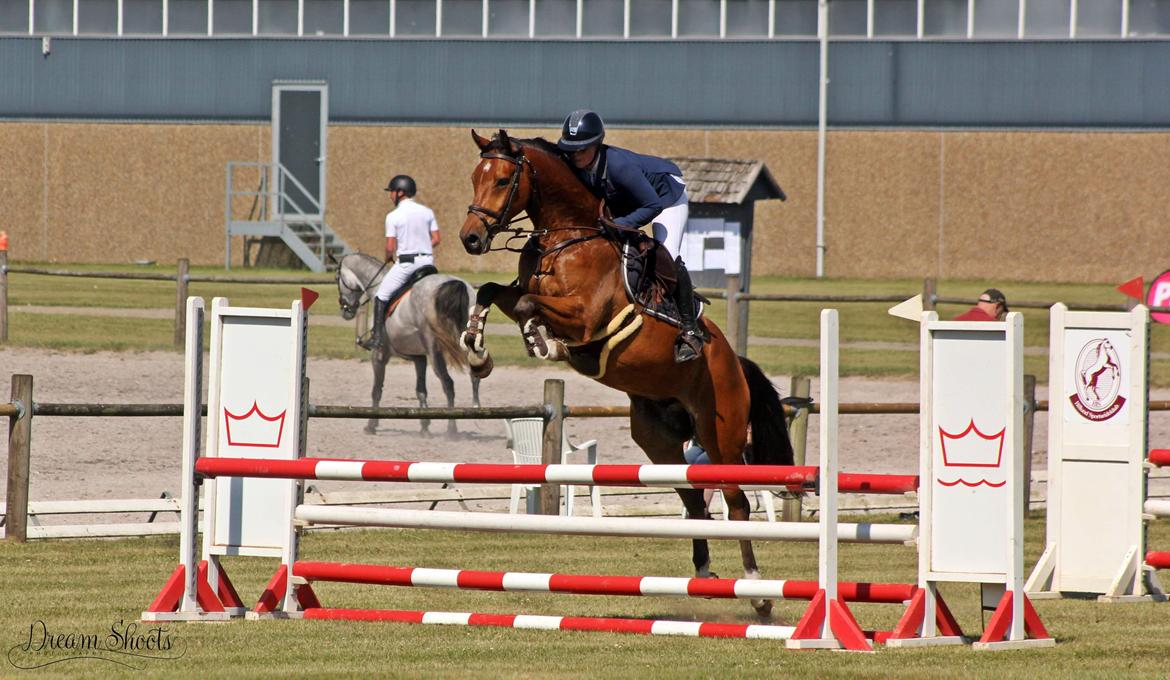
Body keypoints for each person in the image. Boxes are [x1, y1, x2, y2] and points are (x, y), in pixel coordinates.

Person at [556, 109, 705, 363]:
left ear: (597, 144)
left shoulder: (619, 166)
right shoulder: (575, 162)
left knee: (667, 252)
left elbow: (652, 206)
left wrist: (619, 225)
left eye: (582, 148)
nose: (576, 154)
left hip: (665, 198)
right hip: (627, 198)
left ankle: (691, 330)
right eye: (571, 149)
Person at [360, 174, 439, 350]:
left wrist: (388, 256)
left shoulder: (393, 216)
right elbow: (436, 238)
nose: (390, 195)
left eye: (392, 192)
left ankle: (377, 338)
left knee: (381, 296)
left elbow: (390, 246)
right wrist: (423, 245)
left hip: (406, 264)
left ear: (401, 192)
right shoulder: (427, 212)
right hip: (428, 262)